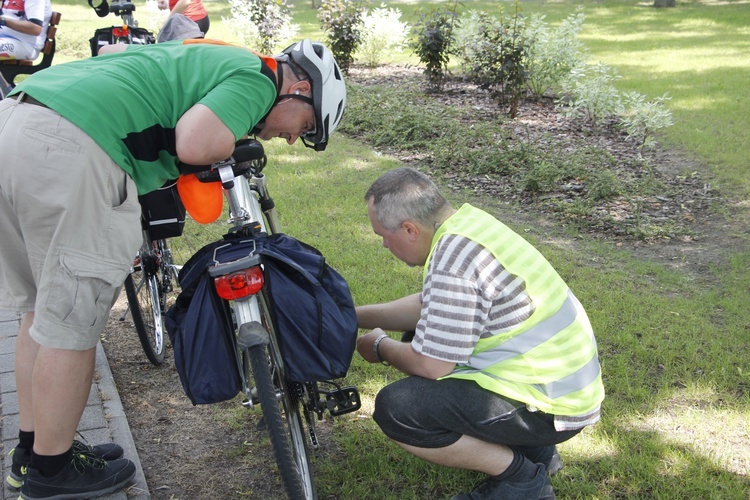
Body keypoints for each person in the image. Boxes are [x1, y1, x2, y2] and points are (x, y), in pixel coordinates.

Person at [0, 38, 346, 499]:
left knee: (38, 315)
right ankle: (52, 473)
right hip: (74, 149)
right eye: (304, 125)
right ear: (299, 86)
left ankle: (33, 452)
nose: (286, 138)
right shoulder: (258, 78)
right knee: (71, 327)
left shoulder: (205, 59)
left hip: (17, 123)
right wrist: (230, 144)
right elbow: (197, 141)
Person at [356, 167, 605, 500]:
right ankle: (538, 453)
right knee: (422, 333)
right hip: (564, 390)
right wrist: (354, 315)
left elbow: (432, 366)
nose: (385, 245)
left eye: (383, 236)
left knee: (398, 409)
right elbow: (430, 306)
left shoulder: (453, 260)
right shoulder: (469, 225)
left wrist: (379, 346)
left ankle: (521, 480)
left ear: (409, 229)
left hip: (550, 406)